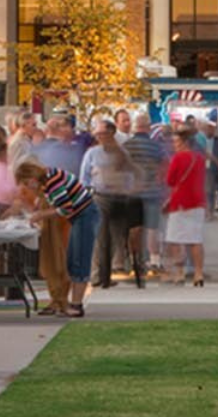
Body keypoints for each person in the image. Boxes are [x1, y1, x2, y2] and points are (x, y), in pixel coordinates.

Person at [14, 159, 100, 318]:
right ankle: (70, 303)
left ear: (32, 177)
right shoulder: (48, 178)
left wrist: (41, 215)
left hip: (84, 215)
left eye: (27, 182)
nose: (28, 187)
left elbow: (66, 209)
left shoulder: (52, 181)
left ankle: (76, 305)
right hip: (80, 216)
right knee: (73, 259)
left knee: (79, 259)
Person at [83, 120, 143, 289]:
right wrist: (87, 194)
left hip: (120, 198)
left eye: (103, 133)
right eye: (98, 134)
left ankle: (106, 274)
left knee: (117, 237)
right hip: (100, 197)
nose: (99, 136)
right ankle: (96, 275)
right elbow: (85, 176)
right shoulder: (92, 153)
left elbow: (131, 173)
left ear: (111, 133)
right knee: (100, 238)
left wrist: (130, 190)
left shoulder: (122, 152)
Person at [162, 127, 208, 285]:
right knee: (195, 239)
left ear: (184, 143)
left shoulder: (177, 158)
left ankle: (180, 272)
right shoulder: (199, 158)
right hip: (197, 201)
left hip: (179, 202)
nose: (174, 145)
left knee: (176, 239)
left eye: (176, 142)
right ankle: (198, 273)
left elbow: (170, 181)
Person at [124, 113, 169, 274]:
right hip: (152, 192)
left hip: (132, 192)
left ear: (136, 127)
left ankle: (133, 259)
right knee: (152, 228)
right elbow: (165, 166)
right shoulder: (156, 147)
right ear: (148, 128)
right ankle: (155, 261)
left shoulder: (127, 146)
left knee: (134, 228)